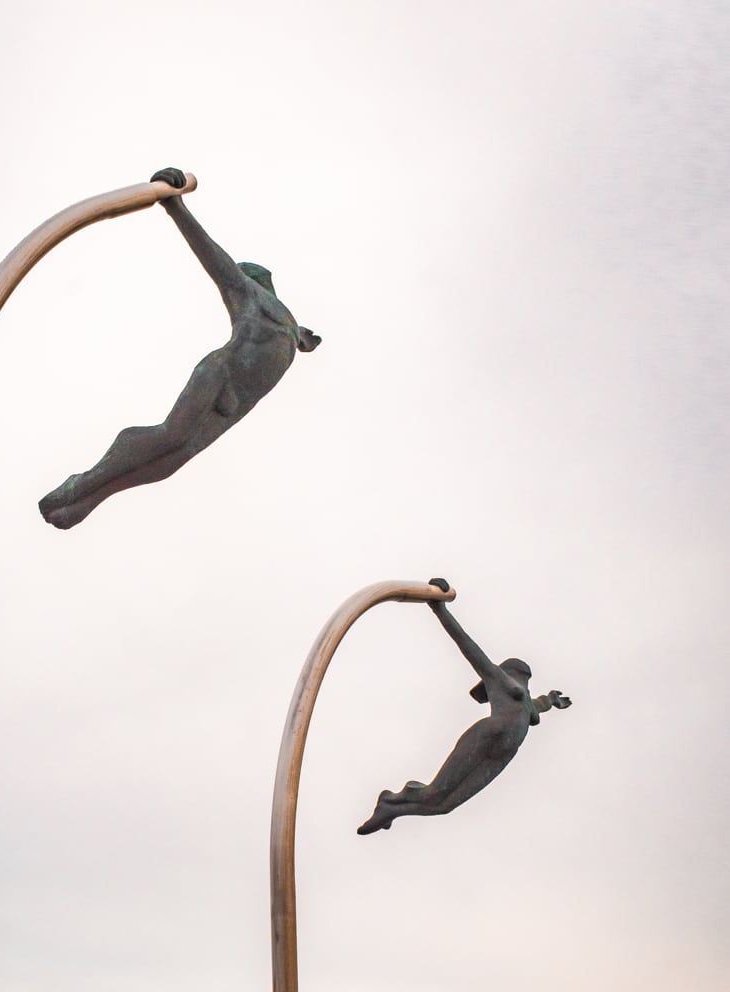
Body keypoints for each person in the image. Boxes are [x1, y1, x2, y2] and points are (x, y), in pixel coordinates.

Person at [39, 167, 320, 530]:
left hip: (239, 400)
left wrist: (305, 339)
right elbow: (211, 254)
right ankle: (84, 482)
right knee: (170, 435)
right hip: (222, 372)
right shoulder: (244, 291)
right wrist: (176, 207)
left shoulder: (289, 322)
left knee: (175, 458)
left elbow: (299, 337)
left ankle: (92, 496)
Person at [357, 579, 571, 834]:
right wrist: (440, 610)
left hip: (504, 751)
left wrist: (552, 700)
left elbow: (538, 707)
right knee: (435, 792)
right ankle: (393, 798)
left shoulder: (527, 702)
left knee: (444, 805)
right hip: (490, 734)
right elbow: (468, 646)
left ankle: (392, 808)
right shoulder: (501, 679)